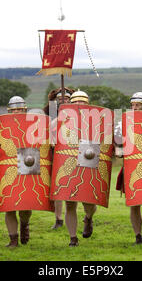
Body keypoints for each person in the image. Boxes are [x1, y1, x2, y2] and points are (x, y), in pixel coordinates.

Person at [117, 92, 142, 244]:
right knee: (134, 203)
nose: (134, 108)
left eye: (138, 105)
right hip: (132, 165)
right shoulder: (123, 123)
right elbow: (117, 141)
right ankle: (138, 235)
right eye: (132, 105)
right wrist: (118, 149)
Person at [63, 90, 97, 246]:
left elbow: (105, 142)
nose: (78, 105)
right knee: (70, 204)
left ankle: (88, 218)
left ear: (87, 104)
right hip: (69, 164)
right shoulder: (59, 121)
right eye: (75, 102)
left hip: (88, 164)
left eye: (82, 102)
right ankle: (73, 238)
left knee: (88, 202)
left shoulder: (96, 121)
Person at [2, 96, 33, 248]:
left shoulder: (34, 125)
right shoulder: (2, 125)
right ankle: (13, 239)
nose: (17, 111)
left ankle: (24, 224)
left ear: (25, 109)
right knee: (9, 205)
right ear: (9, 111)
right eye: (14, 109)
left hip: (28, 167)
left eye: (19, 109)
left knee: (26, 206)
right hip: (8, 167)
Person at [45, 87, 74, 230]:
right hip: (54, 152)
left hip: (73, 153)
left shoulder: (78, 114)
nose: (63, 101)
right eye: (60, 99)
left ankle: (83, 216)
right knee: (56, 186)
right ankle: (58, 218)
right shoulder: (50, 114)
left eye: (66, 98)